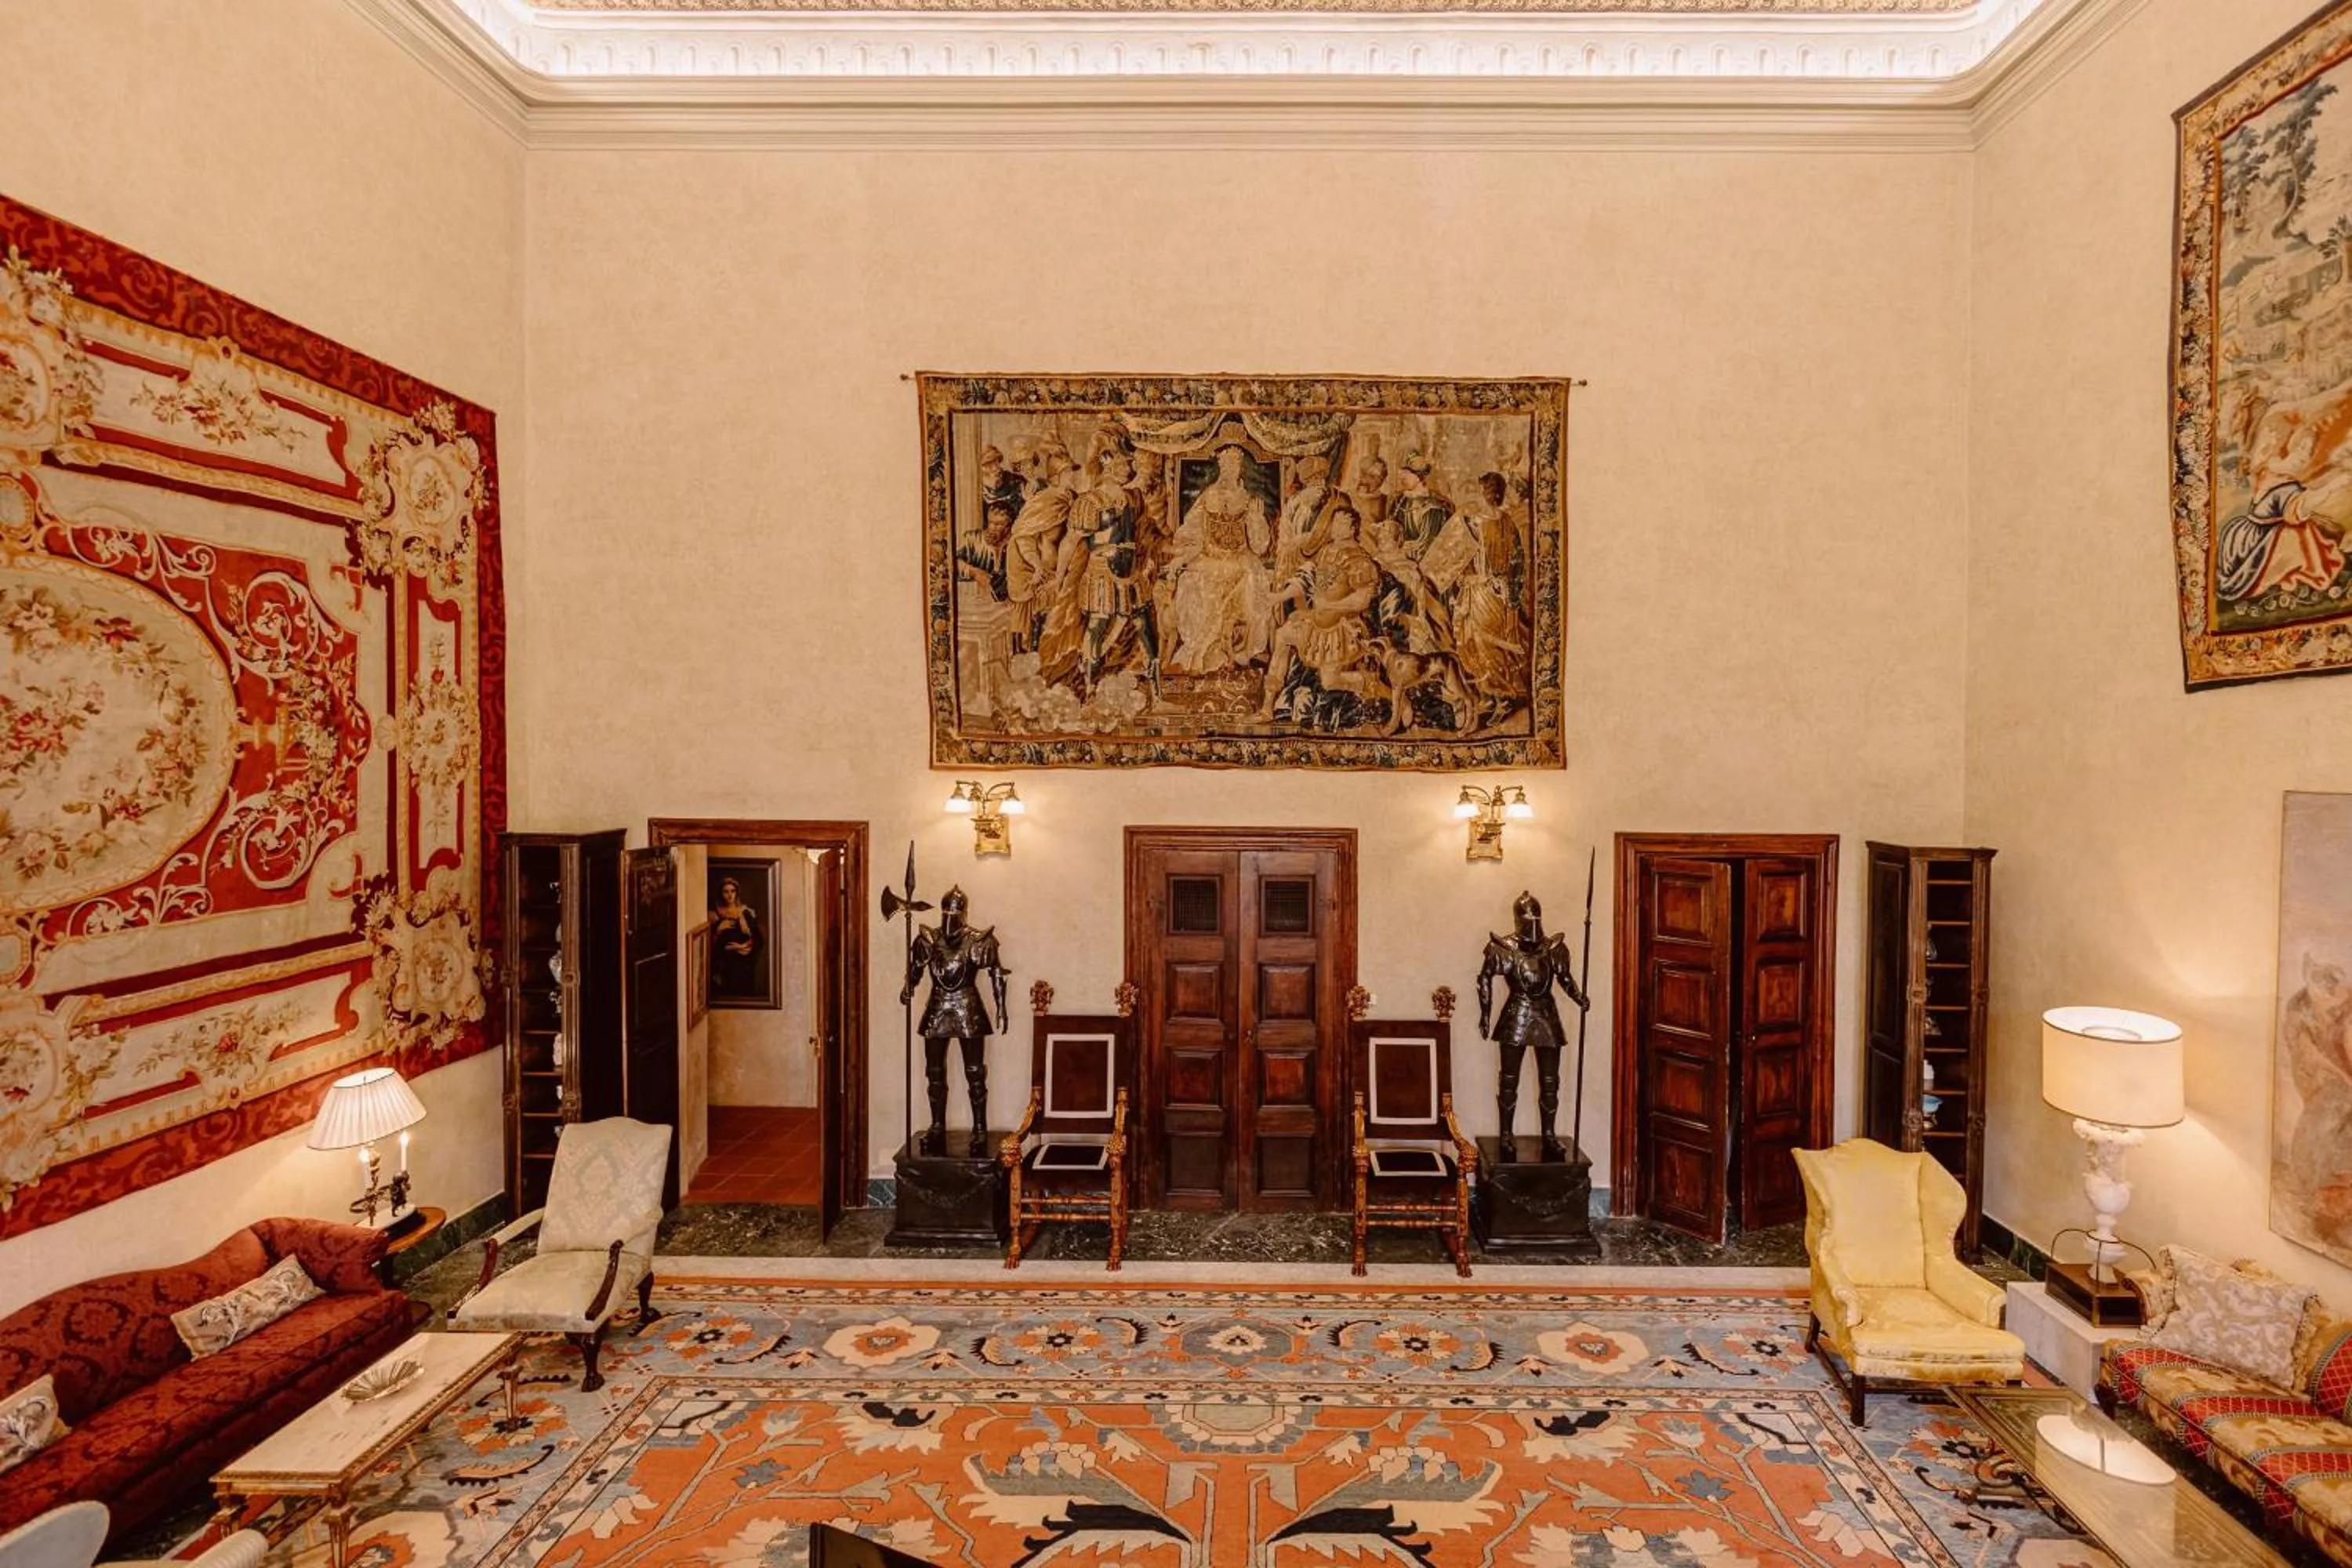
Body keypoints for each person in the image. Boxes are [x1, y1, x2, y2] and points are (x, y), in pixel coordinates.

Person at [1476, 891, 1589, 1160]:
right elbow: (1484, 979)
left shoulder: (1553, 948)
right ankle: (1506, 1134)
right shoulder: (1503, 948)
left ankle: (1549, 1136)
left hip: (1547, 1013)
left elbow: (1564, 978)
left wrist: (1579, 997)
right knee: (1508, 1079)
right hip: (1517, 1012)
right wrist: (1485, 1014)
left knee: (1550, 1081)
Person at [902, 886, 1010, 1158]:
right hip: (938, 1005)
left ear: (963, 912)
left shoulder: (978, 940)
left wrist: (1002, 1008)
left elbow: (996, 972)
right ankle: (937, 1125)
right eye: (947, 910)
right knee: (934, 1072)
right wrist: (908, 987)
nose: (951, 915)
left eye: (955, 910)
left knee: (974, 1072)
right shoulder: (928, 939)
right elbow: (915, 967)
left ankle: (980, 1127)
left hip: (967, 1006)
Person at [1256, 503, 1382, 720]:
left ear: (1353, 528)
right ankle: (1267, 708)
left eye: (1341, 523)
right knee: (1283, 636)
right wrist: (1278, 597)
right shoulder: (1327, 552)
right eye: (1334, 523)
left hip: (1341, 630)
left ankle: (1379, 688)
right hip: (1315, 623)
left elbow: (1362, 600)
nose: (1334, 528)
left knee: (1330, 681)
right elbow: (1311, 581)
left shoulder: (1359, 560)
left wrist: (1331, 606)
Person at [1163, 444, 1272, 675]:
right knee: (1194, 582)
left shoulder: (1247, 499)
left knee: (1254, 580)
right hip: (1210, 559)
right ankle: (1202, 649)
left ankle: (1241, 650)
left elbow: (1260, 546)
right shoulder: (1207, 497)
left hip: (1240, 560)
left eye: (1235, 465)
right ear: (1220, 466)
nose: (1230, 469)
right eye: (1226, 464)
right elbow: (1191, 534)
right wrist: (1183, 555)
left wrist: (1256, 519)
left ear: (1240, 468)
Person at [709, 875, 764, 1002]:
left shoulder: (745, 913)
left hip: (744, 963)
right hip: (725, 965)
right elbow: (709, 945)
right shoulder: (715, 914)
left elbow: (758, 940)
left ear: (737, 893)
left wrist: (740, 947)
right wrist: (718, 930)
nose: (730, 895)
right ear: (721, 894)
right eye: (726, 892)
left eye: (732, 891)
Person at [1389, 452, 1453, 555]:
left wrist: (1400, 553)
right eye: (1401, 473)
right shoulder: (1398, 502)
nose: (1402, 477)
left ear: (1419, 476)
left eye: (1406, 473)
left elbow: (1427, 546)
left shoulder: (1433, 508)